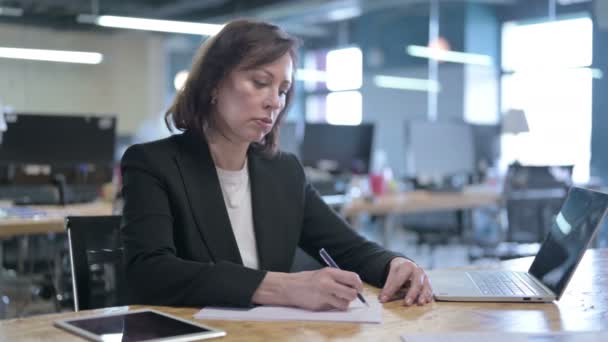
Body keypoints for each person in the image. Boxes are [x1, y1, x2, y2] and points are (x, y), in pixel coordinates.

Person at [120, 19, 433, 311]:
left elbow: (348, 248)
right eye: (260, 82)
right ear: (213, 83)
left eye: (282, 90)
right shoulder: (153, 164)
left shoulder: (283, 171)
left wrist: (395, 264)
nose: (274, 102)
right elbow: (149, 272)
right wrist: (282, 287)